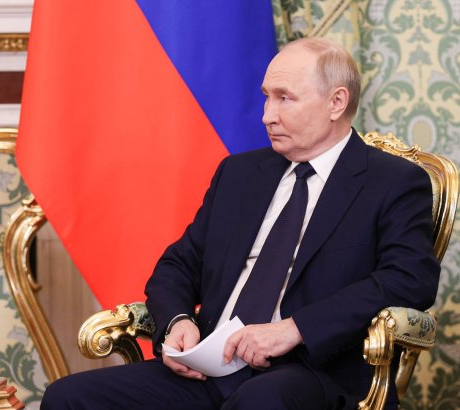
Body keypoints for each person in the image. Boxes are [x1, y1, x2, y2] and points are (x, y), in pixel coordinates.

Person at [41, 37, 439, 410]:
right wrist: (177, 322)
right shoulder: (240, 174)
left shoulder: (392, 182)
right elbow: (178, 265)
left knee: (262, 400)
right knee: (69, 397)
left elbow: (409, 278)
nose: (267, 115)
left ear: (336, 102)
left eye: (285, 98)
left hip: (312, 369)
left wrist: (295, 328)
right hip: (211, 366)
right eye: (266, 97)